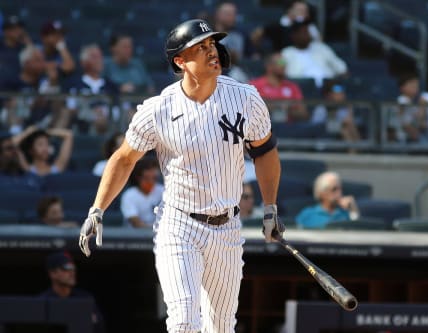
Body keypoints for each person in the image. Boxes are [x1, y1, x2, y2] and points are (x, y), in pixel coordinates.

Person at [78, 19, 284, 333]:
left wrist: (270, 207)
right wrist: (97, 208)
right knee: (185, 322)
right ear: (180, 61)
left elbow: (265, 152)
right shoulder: (157, 109)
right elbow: (124, 159)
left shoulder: (246, 98)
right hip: (179, 225)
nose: (211, 51)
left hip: (227, 226)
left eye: (212, 44)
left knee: (221, 327)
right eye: (200, 47)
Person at [39, 251, 105, 333]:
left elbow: (99, 326)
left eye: (73, 268)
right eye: (66, 269)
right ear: (53, 273)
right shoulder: (42, 301)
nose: (72, 273)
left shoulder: (85, 298)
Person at [64, 43, 119, 134]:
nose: (99, 60)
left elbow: (119, 108)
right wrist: (91, 114)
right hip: (83, 127)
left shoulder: (111, 86)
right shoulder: (75, 85)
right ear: (83, 62)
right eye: (94, 57)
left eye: (100, 57)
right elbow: (71, 108)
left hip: (109, 126)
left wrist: (104, 112)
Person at [281, 19, 347, 88]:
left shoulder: (322, 48)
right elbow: (279, 66)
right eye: (303, 32)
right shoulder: (286, 53)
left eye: (308, 31)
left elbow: (342, 69)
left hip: (327, 89)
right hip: (300, 89)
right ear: (294, 35)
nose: (307, 35)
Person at [249, 52, 309, 122]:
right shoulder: (255, 85)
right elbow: (249, 110)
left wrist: (288, 109)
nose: (284, 65)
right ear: (269, 66)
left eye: (285, 62)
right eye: (281, 62)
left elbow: (304, 113)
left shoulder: (292, 87)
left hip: (290, 128)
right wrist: (279, 105)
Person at [250, 0, 321, 55]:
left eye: (305, 11)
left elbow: (319, 44)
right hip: (283, 58)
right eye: (300, 10)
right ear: (290, 11)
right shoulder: (277, 25)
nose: (303, 14)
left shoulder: (309, 27)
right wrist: (260, 51)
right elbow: (256, 35)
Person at [120, 157, 164, 228]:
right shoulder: (129, 195)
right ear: (138, 178)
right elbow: (136, 223)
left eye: (154, 178)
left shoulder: (163, 191)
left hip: (159, 235)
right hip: (134, 236)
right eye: (146, 178)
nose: (151, 182)